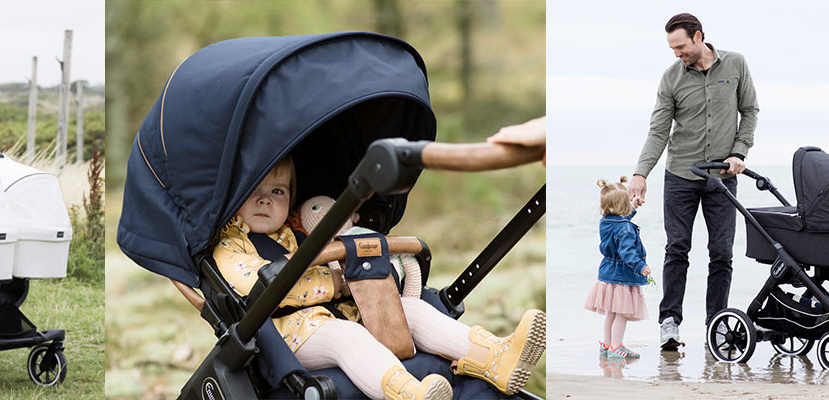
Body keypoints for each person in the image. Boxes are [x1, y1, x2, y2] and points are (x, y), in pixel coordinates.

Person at [213, 157, 546, 400]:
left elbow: (342, 269)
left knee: (405, 311)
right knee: (346, 337)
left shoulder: (300, 235)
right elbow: (250, 284)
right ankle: (405, 392)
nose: (264, 199)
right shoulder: (229, 244)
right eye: (253, 190)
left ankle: (494, 357)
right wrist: (333, 283)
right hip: (289, 334)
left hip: (341, 313)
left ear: (291, 200)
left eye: (277, 191)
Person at [627, 12, 758, 350]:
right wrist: (641, 173)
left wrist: (739, 153)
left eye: (681, 46)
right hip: (681, 176)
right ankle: (669, 323)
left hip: (722, 177)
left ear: (699, 37)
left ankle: (717, 325)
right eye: (672, 49)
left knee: (722, 253)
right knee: (677, 249)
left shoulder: (736, 65)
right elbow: (658, 131)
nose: (677, 54)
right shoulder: (670, 79)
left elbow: (750, 111)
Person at [584, 177, 651, 359]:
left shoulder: (605, 222)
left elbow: (621, 220)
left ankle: (606, 344)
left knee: (611, 314)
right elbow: (627, 252)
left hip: (607, 274)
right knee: (621, 314)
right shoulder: (626, 229)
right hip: (622, 276)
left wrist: (633, 207)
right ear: (622, 206)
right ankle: (616, 347)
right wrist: (641, 266)